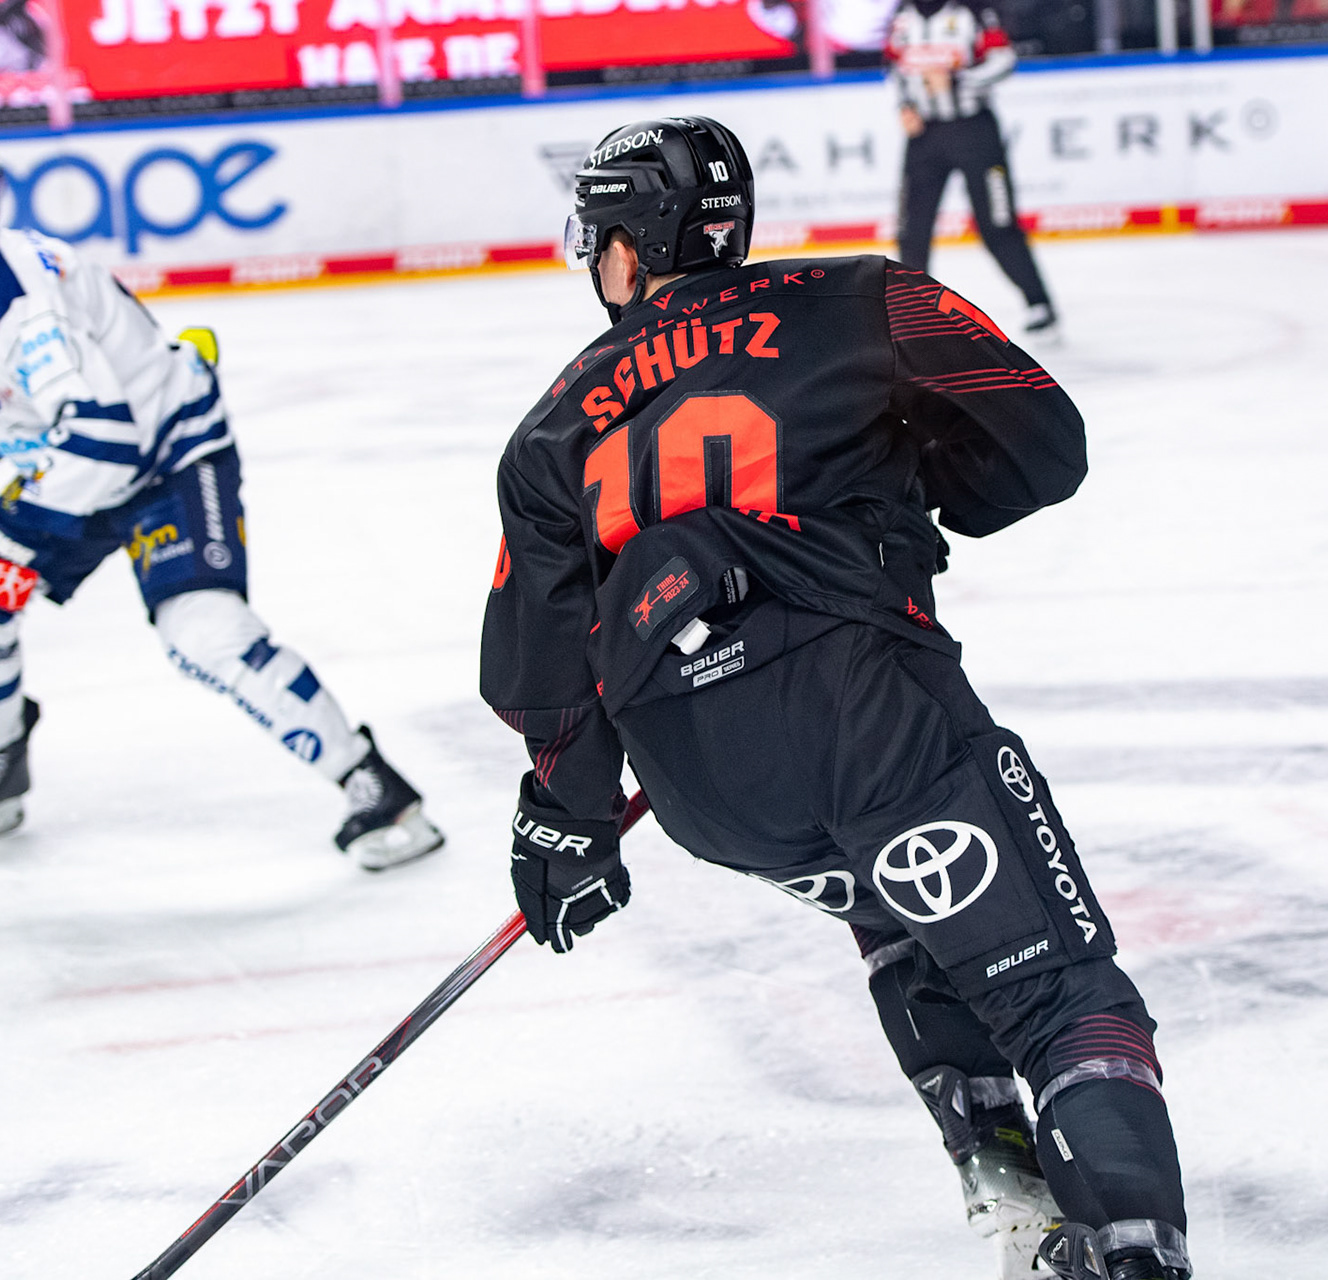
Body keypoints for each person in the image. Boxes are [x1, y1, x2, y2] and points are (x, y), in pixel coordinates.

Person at [481, 116, 1188, 1280]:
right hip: (870, 713)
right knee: (1056, 984)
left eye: (598, 237)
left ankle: (1005, 1179)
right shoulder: (866, 297)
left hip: (706, 788)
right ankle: (1127, 1250)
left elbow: (542, 675)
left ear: (633, 241)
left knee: (904, 916)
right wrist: (916, 476)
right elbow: (1041, 447)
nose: (594, 263)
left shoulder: (552, 424)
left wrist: (568, 820)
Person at [0, 129, 445, 868]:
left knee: (203, 631)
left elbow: (106, 438)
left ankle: (373, 785)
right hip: (78, 473)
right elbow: (0, 396)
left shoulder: (18, 301)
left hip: (168, 464)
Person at [886, 0, 1058, 340]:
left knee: (997, 222)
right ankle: (914, 310)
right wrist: (905, 106)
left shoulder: (974, 11)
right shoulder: (902, 16)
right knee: (912, 228)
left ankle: (1039, 302)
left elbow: (1004, 61)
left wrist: (957, 79)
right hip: (925, 135)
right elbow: (896, 68)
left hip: (974, 130)